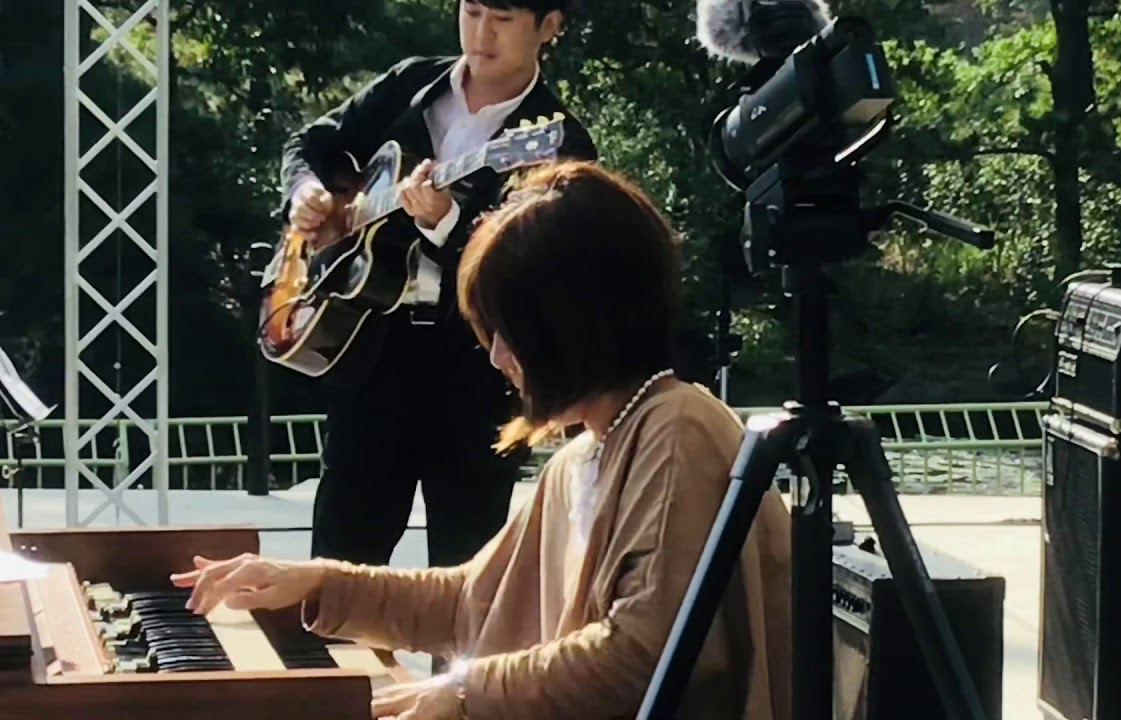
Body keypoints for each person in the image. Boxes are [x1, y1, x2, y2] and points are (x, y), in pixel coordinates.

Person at [177, 162, 792, 719]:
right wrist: (317, 582)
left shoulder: (676, 431)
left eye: (508, 332)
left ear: (575, 325)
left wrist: (466, 692)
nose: (497, 356)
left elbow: (641, 656)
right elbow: (474, 599)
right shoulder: (586, 453)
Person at [276, 0, 596, 569]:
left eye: (503, 19)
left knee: (466, 578)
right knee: (336, 569)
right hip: (370, 357)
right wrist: (304, 192)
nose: (481, 34)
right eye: (472, 12)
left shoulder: (560, 142)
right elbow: (309, 144)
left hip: (474, 376)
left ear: (549, 28)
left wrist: (444, 225)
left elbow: (532, 276)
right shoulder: (410, 84)